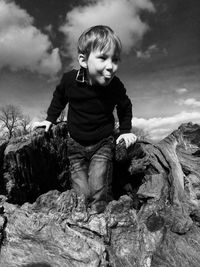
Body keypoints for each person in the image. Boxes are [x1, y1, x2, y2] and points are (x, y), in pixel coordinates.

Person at [34, 25, 137, 213]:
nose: (110, 66)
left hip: (102, 143)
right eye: (103, 58)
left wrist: (125, 131)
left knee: (98, 186)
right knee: (81, 192)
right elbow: (59, 98)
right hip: (75, 145)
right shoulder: (70, 81)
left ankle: (101, 218)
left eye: (115, 60)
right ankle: (81, 219)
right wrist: (50, 119)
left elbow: (125, 106)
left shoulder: (115, 86)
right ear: (83, 60)